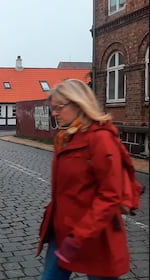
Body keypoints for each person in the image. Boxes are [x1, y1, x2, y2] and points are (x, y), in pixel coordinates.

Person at [37, 79, 130, 280]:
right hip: (63, 231)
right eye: (53, 108)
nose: (54, 113)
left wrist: (79, 235)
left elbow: (110, 195)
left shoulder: (100, 139)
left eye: (59, 108)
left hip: (94, 234)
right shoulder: (65, 138)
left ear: (79, 104)